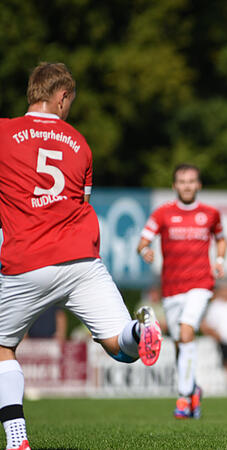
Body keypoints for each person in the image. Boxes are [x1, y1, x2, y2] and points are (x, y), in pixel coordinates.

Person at [0, 62, 162, 450]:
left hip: (27, 261)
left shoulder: (4, 133)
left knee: (3, 348)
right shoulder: (80, 143)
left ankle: (17, 438)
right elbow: (77, 202)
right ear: (62, 96)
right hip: (82, 261)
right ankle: (141, 330)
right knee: (122, 349)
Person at [137, 163, 226, 419]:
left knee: (187, 331)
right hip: (171, 289)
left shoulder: (210, 213)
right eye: (182, 181)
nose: (187, 186)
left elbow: (221, 239)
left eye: (191, 181)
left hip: (200, 285)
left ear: (198, 185)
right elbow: (142, 242)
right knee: (180, 342)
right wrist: (145, 251)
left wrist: (219, 261)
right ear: (175, 185)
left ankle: (184, 396)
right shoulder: (162, 213)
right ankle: (194, 389)